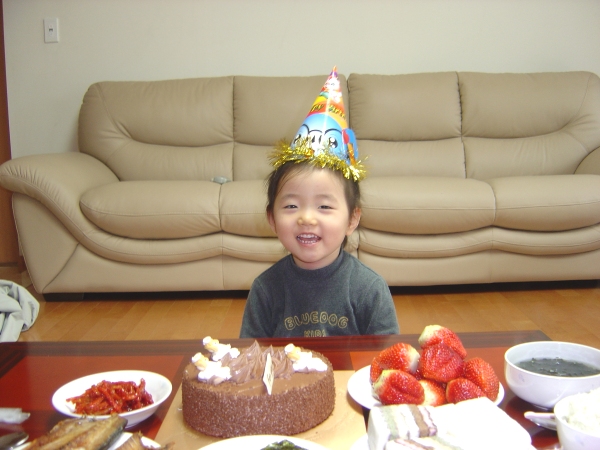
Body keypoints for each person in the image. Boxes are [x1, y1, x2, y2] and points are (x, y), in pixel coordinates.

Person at [240, 67, 400, 338]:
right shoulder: (265, 290)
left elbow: (386, 356)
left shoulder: (369, 289)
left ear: (352, 219)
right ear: (272, 219)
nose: (307, 218)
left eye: (324, 206)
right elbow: (251, 355)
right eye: (291, 206)